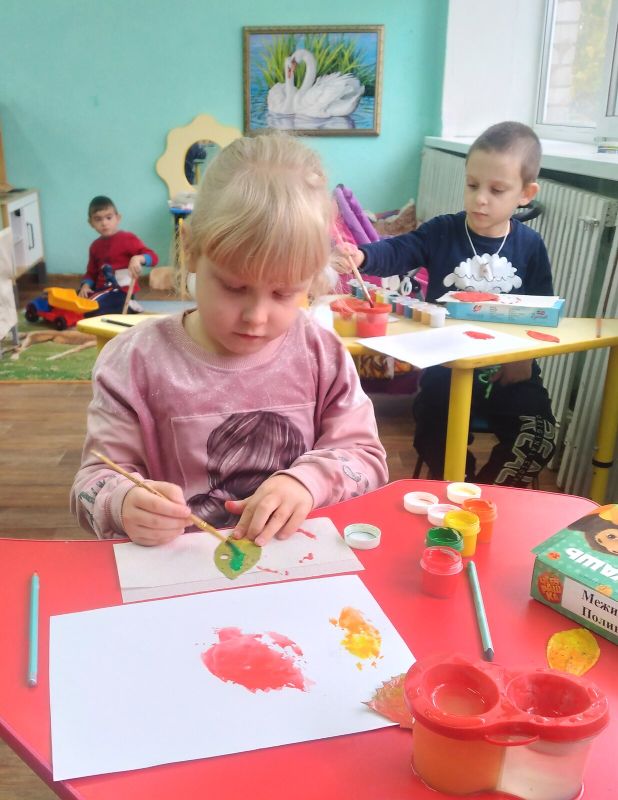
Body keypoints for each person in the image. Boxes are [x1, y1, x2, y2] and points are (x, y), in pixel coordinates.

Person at [71, 133, 388, 546]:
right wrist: (121, 501)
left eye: (283, 293)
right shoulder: (133, 362)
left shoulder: (321, 354)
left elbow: (365, 458)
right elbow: (92, 483)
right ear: (191, 251)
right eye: (234, 287)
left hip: (300, 565)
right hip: (178, 570)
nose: (256, 316)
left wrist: (307, 482)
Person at [338, 121, 556, 487]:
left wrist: (521, 361)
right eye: (472, 185)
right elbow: (400, 249)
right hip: (447, 369)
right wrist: (362, 255)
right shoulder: (442, 231)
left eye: (496, 190)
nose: (480, 198)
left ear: (526, 193)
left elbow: (542, 310)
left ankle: (488, 498)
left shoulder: (531, 246)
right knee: (432, 429)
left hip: (510, 372)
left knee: (539, 434)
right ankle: (457, 489)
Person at [78, 195, 159, 314]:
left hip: (122, 291)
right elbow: (91, 273)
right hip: (101, 290)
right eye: (98, 219)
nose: (104, 223)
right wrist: (86, 285)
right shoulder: (95, 246)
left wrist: (138, 258)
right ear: (91, 223)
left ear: (118, 218)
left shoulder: (128, 239)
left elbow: (154, 258)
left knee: (91, 309)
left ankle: (130, 306)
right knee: (76, 300)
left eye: (109, 217)